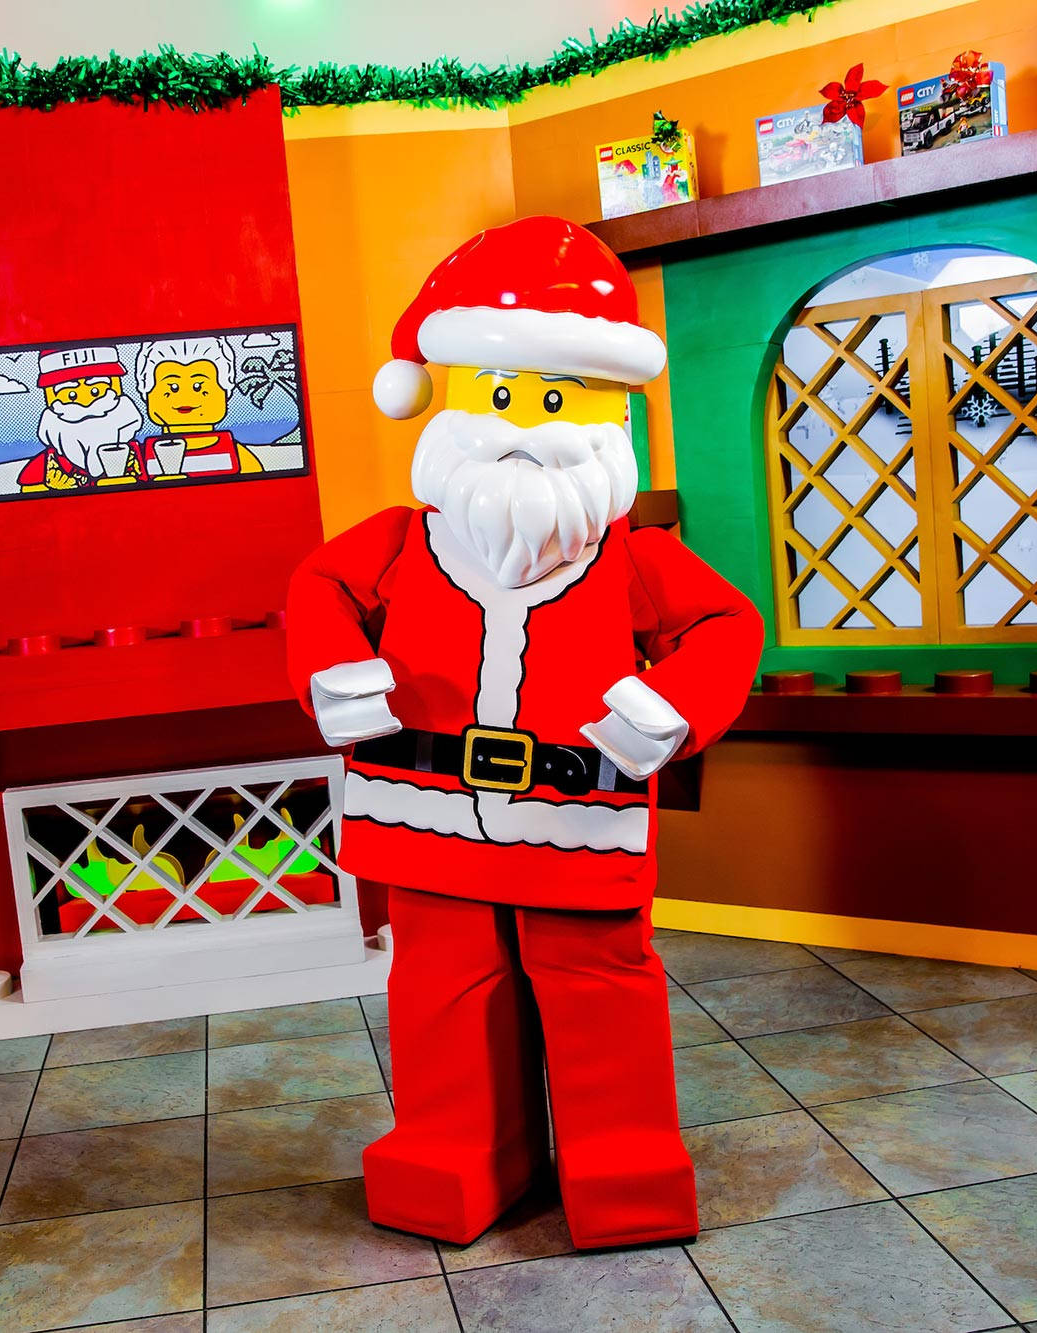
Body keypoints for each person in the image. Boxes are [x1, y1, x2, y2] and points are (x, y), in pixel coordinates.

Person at [285, 216, 763, 1250]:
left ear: (604, 416)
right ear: (452, 403)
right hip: (424, 819)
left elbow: (726, 625)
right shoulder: (397, 545)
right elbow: (317, 590)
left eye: (557, 401)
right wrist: (334, 669)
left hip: (577, 822)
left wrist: (673, 703)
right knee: (443, 989)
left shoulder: (630, 556)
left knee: (597, 988)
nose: (528, 429)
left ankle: (620, 1162)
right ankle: (455, 1151)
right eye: (501, 398)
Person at [132, 336, 261, 478]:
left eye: (198, 387)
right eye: (173, 387)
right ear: (147, 392)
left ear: (225, 390)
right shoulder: (138, 459)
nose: (185, 398)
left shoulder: (237, 455)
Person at [20, 345, 144, 490]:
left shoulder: (139, 455)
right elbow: (28, 494)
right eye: (71, 395)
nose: (86, 404)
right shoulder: (43, 467)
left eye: (95, 391)